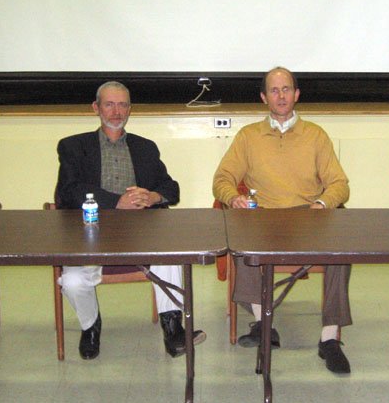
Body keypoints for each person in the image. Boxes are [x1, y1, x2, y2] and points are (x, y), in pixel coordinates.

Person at [212, 67, 353, 374]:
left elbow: (340, 184)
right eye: (274, 90)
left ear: (296, 94)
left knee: (341, 252)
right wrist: (232, 198)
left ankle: (329, 339)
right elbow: (222, 178)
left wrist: (322, 203)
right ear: (264, 97)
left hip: (309, 217)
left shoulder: (315, 135)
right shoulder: (248, 136)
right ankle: (265, 325)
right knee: (242, 243)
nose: (281, 96)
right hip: (262, 217)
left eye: (286, 89)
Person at [54, 81, 205, 360]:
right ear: (95, 108)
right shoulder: (73, 146)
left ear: (130, 109)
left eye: (123, 104)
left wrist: (153, 197)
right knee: (72, 281)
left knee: (170, 256)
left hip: (141, 233)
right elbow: (67, 192)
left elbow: (172, 189)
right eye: (109, 104)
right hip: (90, 233)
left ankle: (173, 331)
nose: (116, 111)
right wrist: (115, 203)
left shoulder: (145, 148)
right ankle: (90, 326)